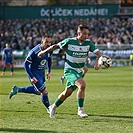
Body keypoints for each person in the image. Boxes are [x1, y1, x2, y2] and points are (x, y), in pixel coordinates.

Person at [38, 24, 102, 118]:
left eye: (87, 34)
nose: (86, 36)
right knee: (82, 85)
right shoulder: (69, 41)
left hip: (79, 71)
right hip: (69, 71)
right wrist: (44, 52)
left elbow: (99, 54)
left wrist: (97, 62)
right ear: (78, 33)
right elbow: (55, 46)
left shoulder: (89, 43)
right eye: (84, 34)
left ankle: (53, 107)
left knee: (67, 93)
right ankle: (80, 110)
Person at [9, 34, 53, 113]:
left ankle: (17, 89)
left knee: (38, 91)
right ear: (42, 41)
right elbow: (25, 64)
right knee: (44, 91)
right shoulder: (34, 51)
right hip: (34, 72)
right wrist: (32, 77)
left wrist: (49, 71)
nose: (48, 44)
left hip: (41, 72)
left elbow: (49, 59)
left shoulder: (49, 49)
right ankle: (49, 109)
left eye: (50, 42)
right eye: (46, 42)